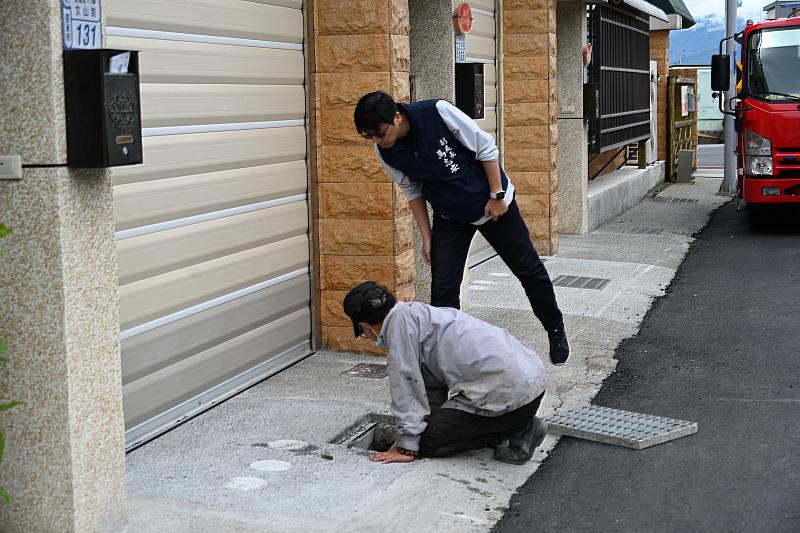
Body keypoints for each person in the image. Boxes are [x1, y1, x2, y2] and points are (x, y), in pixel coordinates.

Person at [353, 91, 570, 365]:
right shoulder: (386, 152)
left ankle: (554, 328)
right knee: (443, 290)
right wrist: (427, 238)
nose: (376, 140)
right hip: (449, 215)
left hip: (492, 205)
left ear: (396, 117)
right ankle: (447, 357)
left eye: (379, 133)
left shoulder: (437, 112)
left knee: (528, 269)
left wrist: (497, 195)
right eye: (368, 136)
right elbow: (411, 190)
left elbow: (486, 147)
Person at [343, 281, 549, 465]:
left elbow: (407, 389)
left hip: (507, 394)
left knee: (425, 444)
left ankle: (521, 429)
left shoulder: (399, 334)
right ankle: (517, 422)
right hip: (532, 382)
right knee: (433, 428)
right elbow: (430, 386)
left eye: (363, 334)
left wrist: (406, 446)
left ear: (366, 327)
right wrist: (426, 422)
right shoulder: (418, 314)